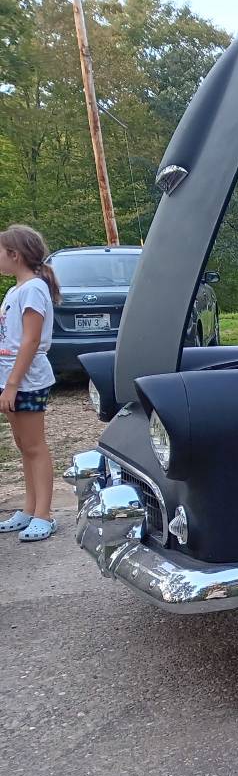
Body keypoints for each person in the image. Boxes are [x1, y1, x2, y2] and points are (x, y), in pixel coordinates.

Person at [0, 224, 60, 542]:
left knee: (35, 446)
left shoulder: (34, 288)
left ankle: (44, 515)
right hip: (12, 378)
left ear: (15, 255)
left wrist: (12, 384)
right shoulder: (15, 291)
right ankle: (29, 508)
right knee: (23, 447)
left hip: (27, 380)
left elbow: (31, 340)